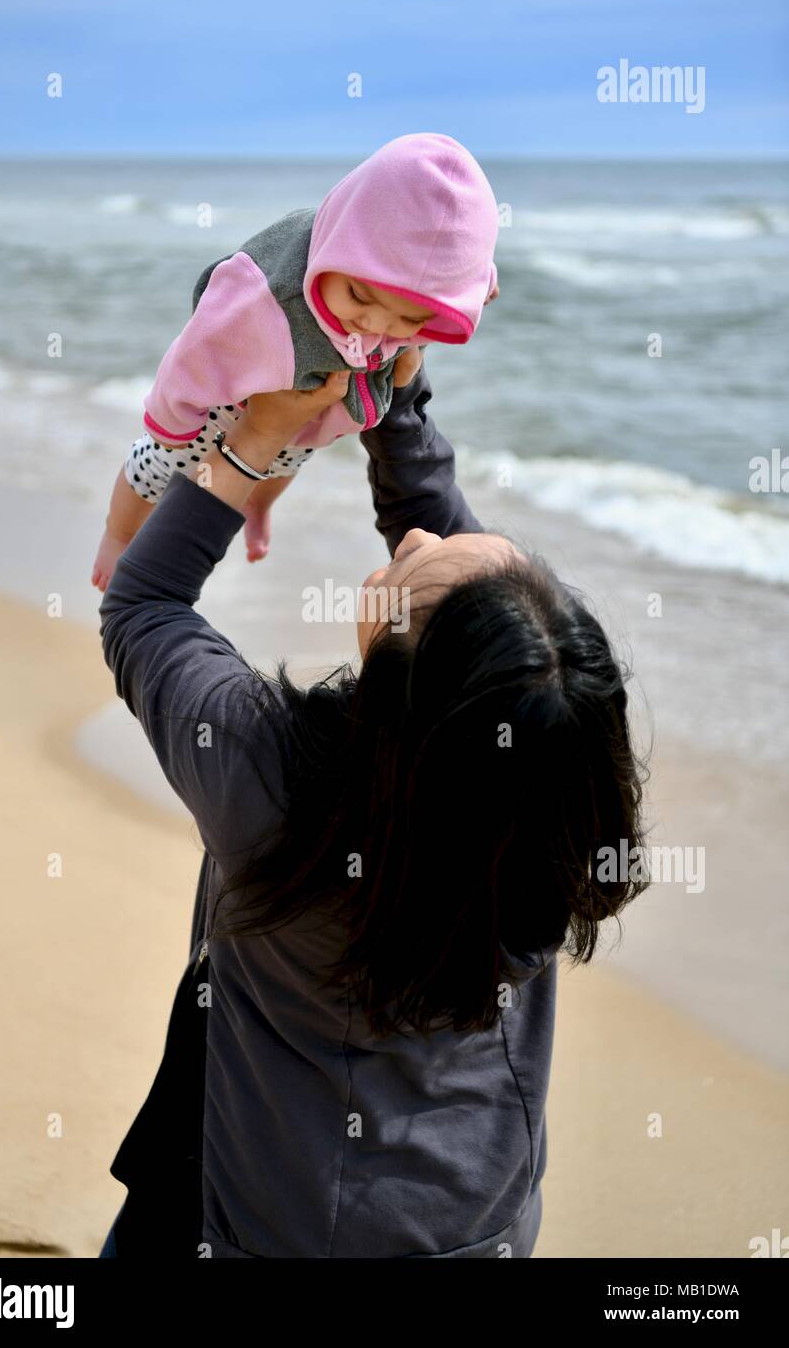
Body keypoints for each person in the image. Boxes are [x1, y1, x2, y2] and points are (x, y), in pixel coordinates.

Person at [96, 349, 648, 1259]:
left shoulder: (265, 779)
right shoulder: (561, 790)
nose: (421, 539)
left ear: (401, 680)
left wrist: (254, 441)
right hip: (477, 1222)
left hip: (275, 1229)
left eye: (423, 567)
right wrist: (389, 390)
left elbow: (144, 604)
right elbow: (475, 625)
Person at [91, 132, 500, 584]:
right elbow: (193, 356)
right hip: (236, 398)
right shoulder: (263, 298)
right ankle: (118, 535)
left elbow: (457, 261)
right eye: (359, 295)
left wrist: (478, 290)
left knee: (285, 463)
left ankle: (258, 505)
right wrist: (173, 422)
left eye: (408, 317)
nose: (375, 324)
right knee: (154, 469)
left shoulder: (412, 284)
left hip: (310, 408)